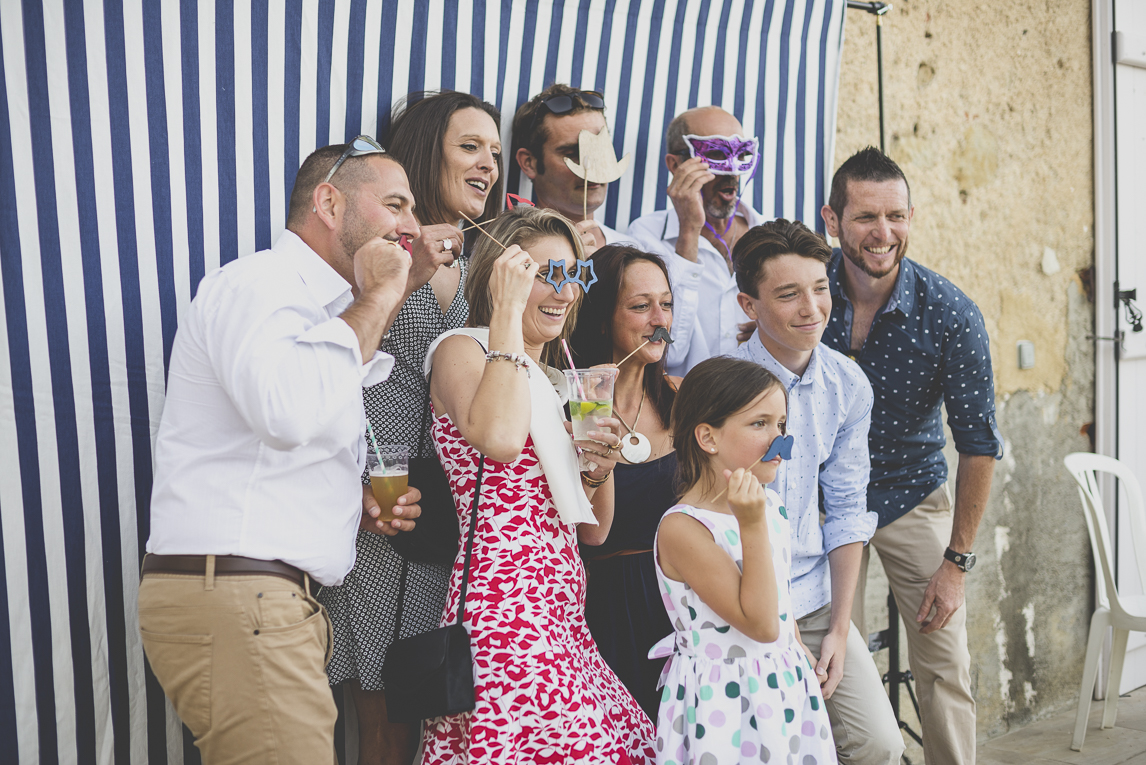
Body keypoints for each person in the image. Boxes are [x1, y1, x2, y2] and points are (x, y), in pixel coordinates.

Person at [138, 139, 424, 764]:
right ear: (328, 202)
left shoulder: (319, 312)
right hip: (245, 599)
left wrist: (354, 506)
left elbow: (275, 446)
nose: (411, 227)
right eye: (395, 204)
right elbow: (288, 410)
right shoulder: (262, 284)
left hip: (264, 604)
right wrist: (377, 298)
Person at [421, 206, 656, 764]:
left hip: (560, 601)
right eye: (545, 274)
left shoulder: (555, 380)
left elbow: (595, 531)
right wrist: (504, 312)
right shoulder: (464, 348)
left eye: (573, 275)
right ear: (504, 275)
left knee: (625, 744)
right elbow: (499, 438)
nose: (565, 290)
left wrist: (601, 466)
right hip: (503, 601)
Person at [317, 91, 504, 765]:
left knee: (445, 722)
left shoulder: (486, 266)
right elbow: (331, 368)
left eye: (495, 150)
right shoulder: (382, 255)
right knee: (390, 724)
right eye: (470, 146)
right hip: (389, 512)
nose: (489, 162)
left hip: (458, 531)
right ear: (429, 152)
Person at [820, 147, 1002, 765]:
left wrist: (957, 561)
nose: (883, 233)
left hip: (909, 495)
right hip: (817, 504)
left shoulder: (952, 313)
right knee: (820, 656)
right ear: (832, 219)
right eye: (866, 216)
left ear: (911, 216)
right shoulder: (805, 293)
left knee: (945, 664)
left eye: (896, 216)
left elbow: (978, 443)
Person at [731, 218, 904, 764]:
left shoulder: (848, 384)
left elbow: (849, 510)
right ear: (749, 304)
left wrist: (837, 628)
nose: (812, 308)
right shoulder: (720, 383)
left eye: (821, 288)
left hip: (816, 597)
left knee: (878, 744)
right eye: (788, 294)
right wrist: (780, 632)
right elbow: (710, 520)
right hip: (737, 601)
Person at [652, 356, 837, 765]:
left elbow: (777, 603)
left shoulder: (767, 504)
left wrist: (796, 643)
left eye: (782, 425)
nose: (780, 440)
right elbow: (759, 623)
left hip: (781, 686)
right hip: (724, 702)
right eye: (760, 424)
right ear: (708, 437)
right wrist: (751, 525)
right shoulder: (684, 529)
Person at [570, 244, 679, 720]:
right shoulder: (579, 403)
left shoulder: (681, 396)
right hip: (607, 607)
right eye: (641, 306)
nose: (660, 320)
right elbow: (585, 531)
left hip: (679, 602)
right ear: (600, 318)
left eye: (667, 303)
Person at [627, 105, 763, 377]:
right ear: (675, 165)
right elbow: (667, 351)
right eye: (714, 155)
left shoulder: (772, 235)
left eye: (742, 154)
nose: (731, 171)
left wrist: (772, 334)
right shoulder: (646, 237)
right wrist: (689, 232)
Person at [512, 84, 629, 253]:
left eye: (600, 149)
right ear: (529, 163)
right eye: (572, 153)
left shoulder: (631, 250)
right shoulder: (510, 251)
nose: (592, 165)